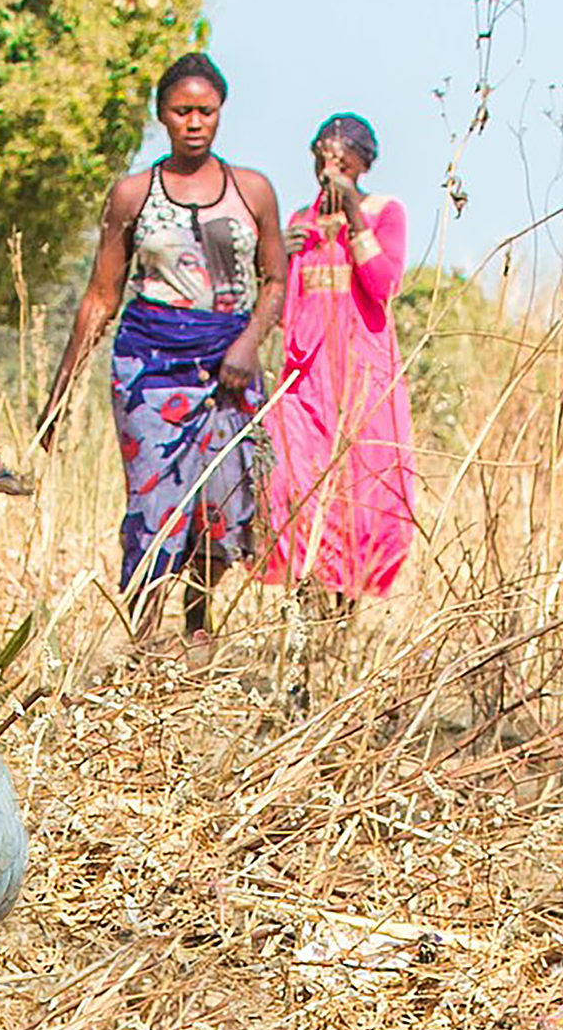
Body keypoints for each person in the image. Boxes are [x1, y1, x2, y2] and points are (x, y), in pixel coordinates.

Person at [36, 53, 287, 646]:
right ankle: (145, 644)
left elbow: (276, 280)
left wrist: (249, 343)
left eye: (206, 111)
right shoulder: (132, 195)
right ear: (162, 116)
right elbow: (101, 296)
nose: (194, 122)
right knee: (154, 502)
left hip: (228, 365)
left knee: (222, 506)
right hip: (149, 367)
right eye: (182, 111)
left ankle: (199, 626)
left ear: (221, 113)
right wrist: (61, 390)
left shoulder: (252, 191)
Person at [260, 113, 415, 609]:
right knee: (292, 482)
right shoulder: (300, 221)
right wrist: (279, 258)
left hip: (361, 376)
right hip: (306, 377)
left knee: (359, 492)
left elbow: (383, 284)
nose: (328, 167)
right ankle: (304, 600)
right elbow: (284, 305)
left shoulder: (385, 212)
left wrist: (353, 216)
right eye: (321, 157)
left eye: (340, 159)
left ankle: (340, 610)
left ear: (360, 163)